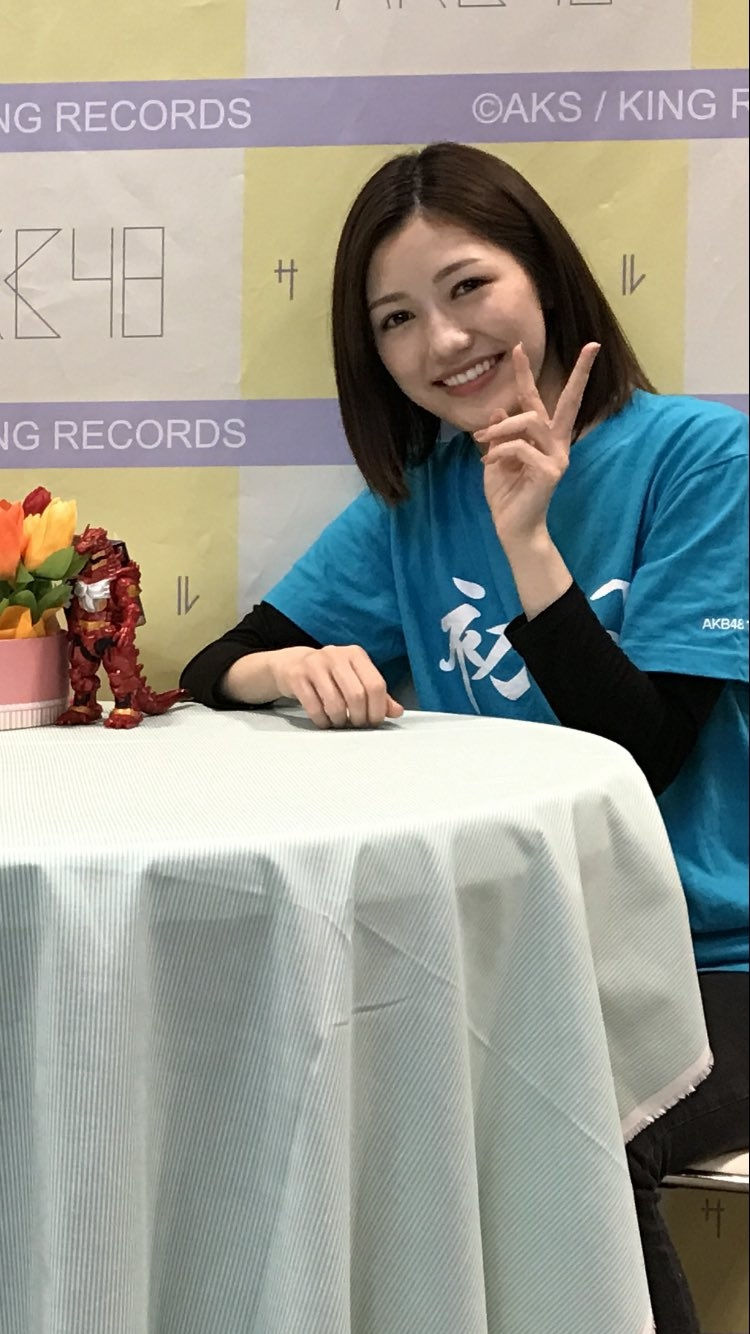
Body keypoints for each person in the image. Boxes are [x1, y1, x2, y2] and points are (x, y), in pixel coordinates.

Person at [181, 142, 748, 1330]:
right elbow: (217, 660)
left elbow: (645, 755)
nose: (442, 340)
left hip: (711, 957)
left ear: (544, 274)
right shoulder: (420, 493)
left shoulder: (701, 457)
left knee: (571, 1125)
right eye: (396, 318)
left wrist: (530, 544)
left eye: (468, 285)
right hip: (510, 951)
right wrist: (290, 666)